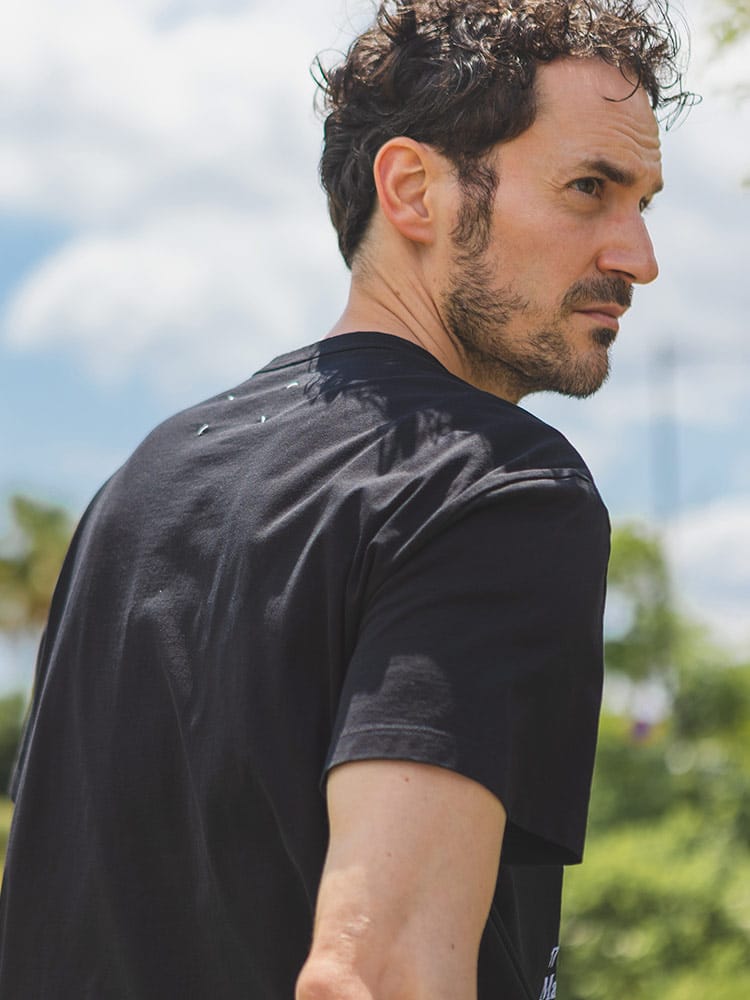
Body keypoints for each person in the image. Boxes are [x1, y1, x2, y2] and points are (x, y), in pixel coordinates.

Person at [0, 2, 689, 998]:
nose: (639, 258)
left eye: (645, 204)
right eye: (590, 189)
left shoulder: (141, 486)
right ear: (413, 190)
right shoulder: (495, 485)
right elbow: (382, 972)